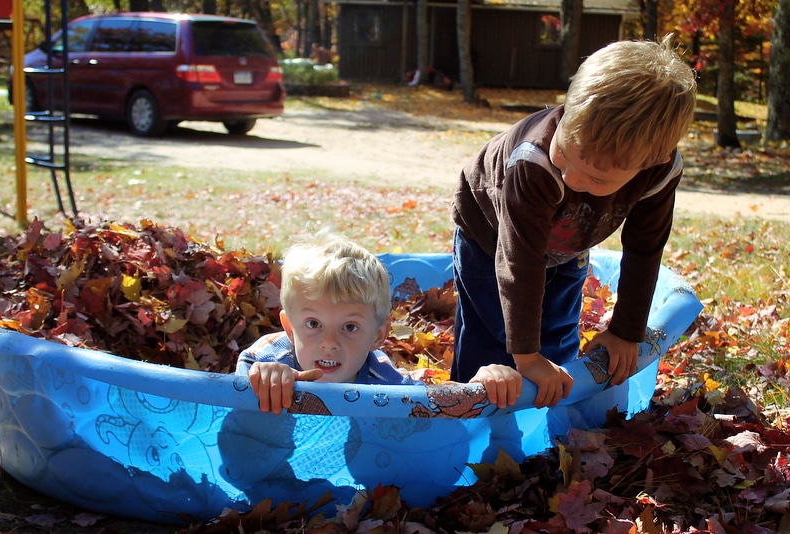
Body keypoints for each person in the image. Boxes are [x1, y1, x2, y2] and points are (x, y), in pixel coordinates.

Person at [449, 35, 697, 409]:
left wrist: (625, 331)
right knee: (492, 338)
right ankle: (471, 422)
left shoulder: (660, 173)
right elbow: (519, 262)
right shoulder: (534, 162)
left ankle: (556, 412)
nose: (571, 179)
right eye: (564, 152)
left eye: (596, 178)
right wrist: (526, 357)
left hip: (570, 239)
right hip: (491, 236)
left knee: (560, 332)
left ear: (648, 164)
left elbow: (645, 248)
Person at [237, 229, 522, 413]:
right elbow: (230, 433)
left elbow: (437, 412)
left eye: (350, 327)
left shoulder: (384, 380)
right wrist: (262, 383)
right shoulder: (266, 360)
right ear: (289, 327)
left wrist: (481, 387)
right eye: (313, 324)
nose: (329, 343)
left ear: (377, 336)